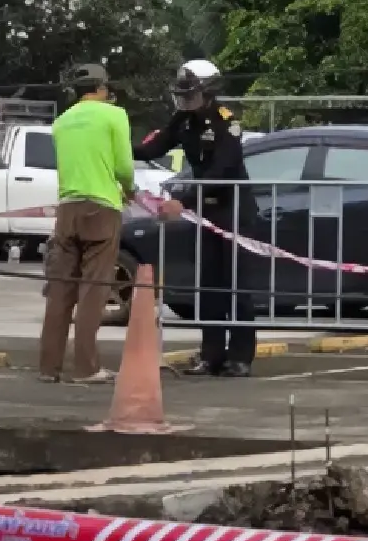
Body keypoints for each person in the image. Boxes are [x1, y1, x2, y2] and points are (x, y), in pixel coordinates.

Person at [136, 59, 258, 378]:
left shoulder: (226, 122)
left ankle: (241, 357)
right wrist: (116, 149)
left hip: (233, 211)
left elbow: (222, 170)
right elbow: (153, 149)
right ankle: (211, 355)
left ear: (210, 91)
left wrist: (183, 199)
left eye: (191, 94)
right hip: (206, 211)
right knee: (208, 286)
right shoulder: (183, 121)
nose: (185, 100)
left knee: (236, 286)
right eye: (182, 95)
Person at [38, 63, 135, 385]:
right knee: (94, 289)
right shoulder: (113, 115)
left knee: (60, 290)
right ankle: (86, 368)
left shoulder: (61, 122)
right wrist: (130, 190)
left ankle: (49, 367)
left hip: (67, 210)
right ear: (102, 88)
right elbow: (123, 165)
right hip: (102, 209)